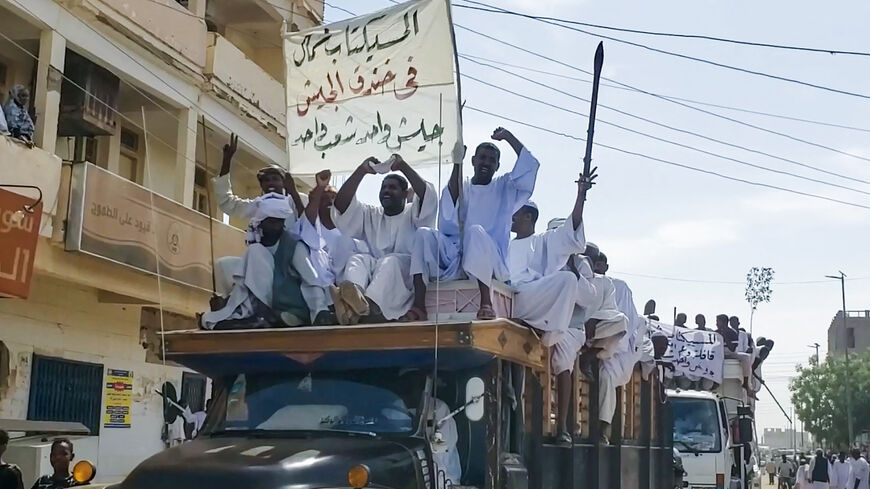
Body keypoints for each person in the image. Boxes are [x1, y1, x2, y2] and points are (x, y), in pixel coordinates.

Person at [409, 127, 540, 321]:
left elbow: (531, 167)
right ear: (473, 161)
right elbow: (447, 216)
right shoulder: (463, 186)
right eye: (482, 158)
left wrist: (508, 137)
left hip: (492, 260)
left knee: (475, 232)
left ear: (497, 166)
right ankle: (418, 304)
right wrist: (456, 163)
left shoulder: (505, 186)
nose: (486, 162)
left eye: (491, 160)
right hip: (456, 256)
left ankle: (485, 302)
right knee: (423, 234)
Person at [506, 168, 596, 444]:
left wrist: (580, 196)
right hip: (509, 301)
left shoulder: (542, 243)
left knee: (567, 280)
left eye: (516, 213)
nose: (510, 218)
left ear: (528, 217)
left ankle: (548, 334)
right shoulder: (502, 244)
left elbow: (570, 229)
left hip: (535, 301)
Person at [330, 154, 436, 324]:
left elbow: (427, 196)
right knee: (357, 259)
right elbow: (342, 206)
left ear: (405, 194)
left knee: (390, 261)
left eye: (393, 188)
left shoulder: (413, 211)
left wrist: (403, 166)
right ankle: (353, 299)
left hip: (406, 275)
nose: (386, 191)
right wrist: (361, 171)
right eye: (384, 187)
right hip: (378, 268)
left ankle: (362, 306)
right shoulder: (371, 214)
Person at [211, 134, 305, 302]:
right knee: (223, 265)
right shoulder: (257, 205)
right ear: (261, 185)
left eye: (275, 179)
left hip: (290, 263)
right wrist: (227, 161)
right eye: (266, 180)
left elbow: (309, 223)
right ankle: (230, 307)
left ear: (283, 183)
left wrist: (294, 192)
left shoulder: (294, 201)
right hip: (260, 262)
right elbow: (226, 202)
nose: (270, 183)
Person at [200, 193, 308, 329]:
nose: (275, 227)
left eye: (278, 222)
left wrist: (319, 310)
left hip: (288, 304)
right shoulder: (258, 246)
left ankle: (262, 316)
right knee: (209, 320)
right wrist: (226, 302)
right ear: (261, 223)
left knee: (256, 251)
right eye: (271, 222)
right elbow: (247, 283)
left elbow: (312, 281)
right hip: (255, 303)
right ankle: (248, 316)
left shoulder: (294, 246)